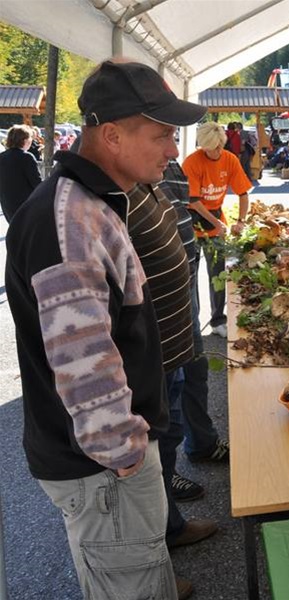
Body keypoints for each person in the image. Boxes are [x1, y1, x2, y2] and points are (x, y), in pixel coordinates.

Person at [5, 59, 208, 600]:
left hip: (107, 462)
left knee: (139, 574)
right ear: (112, 135)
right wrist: (128, 458)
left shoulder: (90, 201)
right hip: (102, 468)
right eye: (162, 135)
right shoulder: (69, 223)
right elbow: (85, 366)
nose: (173, 150)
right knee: (130, 586)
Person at [127, 178, 218, 599]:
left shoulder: (147, 180)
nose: (171, 149)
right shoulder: (108, 194)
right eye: (160, 143)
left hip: (174, 337)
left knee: (168, 435)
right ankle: (148, 577)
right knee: (151, 448)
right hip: (151, 349)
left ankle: (170, 526)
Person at [161, 158, 232, 466]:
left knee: (194, 369)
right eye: (163, 136)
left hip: (182, 284)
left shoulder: (170, 164)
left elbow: (182, 208)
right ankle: (163, 479)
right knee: (167, 383)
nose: (173, 149)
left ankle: (202, 443)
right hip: (159, 295)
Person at [182, 121, 252, 338]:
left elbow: (243, 194)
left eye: (216, 147)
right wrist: (216, 222)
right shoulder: (192, 162)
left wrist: (240, 221)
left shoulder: (230, 160)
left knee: (218, 275)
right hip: (192, 223)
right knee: (191, 277)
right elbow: (193, 201)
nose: (213, 152)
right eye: (208, 148)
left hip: (215, 221)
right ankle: (192, 322)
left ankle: (218, 320)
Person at [0, 124, 41, 222]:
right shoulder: (27, 157)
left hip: (7, 202)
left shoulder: (2, 156)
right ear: (25, 140)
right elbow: (36, 182)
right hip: (25, 203)